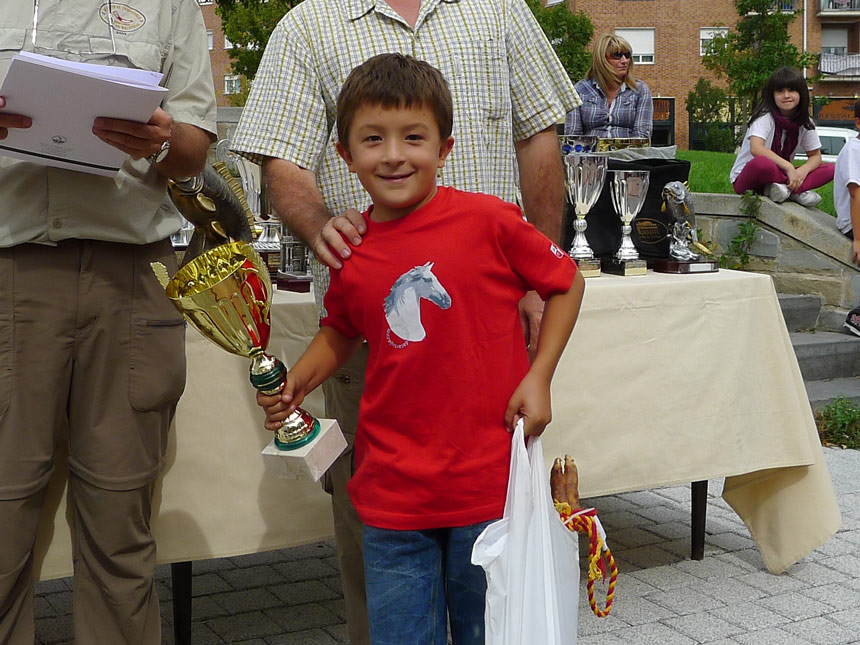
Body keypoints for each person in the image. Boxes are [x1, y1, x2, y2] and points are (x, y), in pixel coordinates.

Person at [231, 1, 580, 642]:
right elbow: (341, 329)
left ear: (445, 147)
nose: (393, 156)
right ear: (345, 153)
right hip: (391, 498)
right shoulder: (355, 247)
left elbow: (564, 281)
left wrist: (541, 377)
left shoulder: (490, 221)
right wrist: (298, 382)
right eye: (373, 140)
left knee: (488, 629)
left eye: (413, 139)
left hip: (485, 489)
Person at [0, 2, 217, 643]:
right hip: (9, 270)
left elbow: (195, 148)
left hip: (129, 281)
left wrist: (162, 140)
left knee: (121, 531)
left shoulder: (170, 4)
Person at [730, 66, 834, 208]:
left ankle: (784, 189)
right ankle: (795, 191)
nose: (786, 95)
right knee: (762, 163)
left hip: (781, 175)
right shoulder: (764, 116)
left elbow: (816, 156)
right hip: (750, 178)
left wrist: (802, 172)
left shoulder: (805, 121)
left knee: (830, 169)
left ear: (801, 93)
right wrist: (789, 168)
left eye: (792, 90)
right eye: (780, 91)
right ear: (772, 95)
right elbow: (756, 148)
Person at [564, 33, 653, 140]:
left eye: (627, 55)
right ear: (602, 59)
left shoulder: (640, 90)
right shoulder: (580, 90)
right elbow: (573, 135)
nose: (624, 61)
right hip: (591, 154)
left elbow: (642, 136)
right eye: (617, 55)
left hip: (629, 155)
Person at [833, 98, 860, 336]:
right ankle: (857, 317)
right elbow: (855, 196)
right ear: (858, 123)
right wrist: (858, 240)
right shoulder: (853, 150)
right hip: (853, 222)